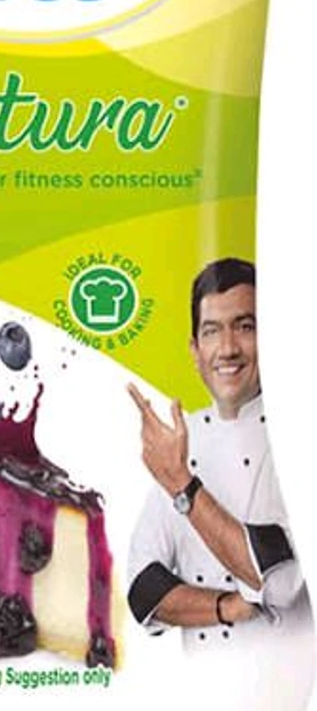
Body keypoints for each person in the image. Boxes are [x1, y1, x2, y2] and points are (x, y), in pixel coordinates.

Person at [127, 258, 312, 652]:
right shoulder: (184, 437)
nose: (227, 349)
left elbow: (279, 583)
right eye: (212, 331)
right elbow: (142, 589)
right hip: (203, 680)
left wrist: (181, 485)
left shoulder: (300, 434)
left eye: (245, 327)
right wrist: (226, 606)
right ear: (195, 350)